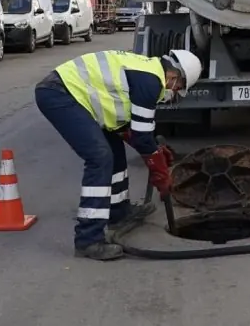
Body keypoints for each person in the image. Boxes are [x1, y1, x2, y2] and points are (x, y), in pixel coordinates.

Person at [34, 48, 203, 261]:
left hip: (72, 95)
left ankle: (119, 212)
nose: (175, 92)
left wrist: (154, 150)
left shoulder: (147, 71)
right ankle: (88, 239)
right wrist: (158, 168)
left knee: (113, 147)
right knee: (99, 158)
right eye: (178, 87)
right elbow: (142, 137)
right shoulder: (151, 81)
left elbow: (129, 129)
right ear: (173, 75)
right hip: (59, 94)